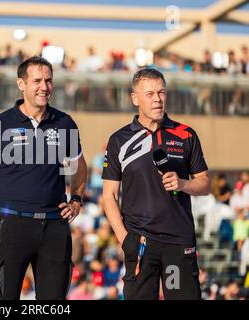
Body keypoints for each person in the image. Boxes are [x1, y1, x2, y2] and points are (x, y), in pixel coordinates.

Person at [0, 56, 88, 300]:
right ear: (21, 84)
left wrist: (76, 199)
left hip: (54, 227)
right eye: (37, 81)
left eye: (49, 80)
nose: (44, 87)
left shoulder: (64, 123)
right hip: (10, 226)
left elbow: (80, 168)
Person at [102, 68, 210, 300]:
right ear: (134, 98)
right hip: (140, 243)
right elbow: (109, 196)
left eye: (161, 92)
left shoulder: (185, 134)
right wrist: (125, 239)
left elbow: (204, 184)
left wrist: (183, 184)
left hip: (178, 243)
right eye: (150, 94)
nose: (157, 99)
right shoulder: (119, 140)